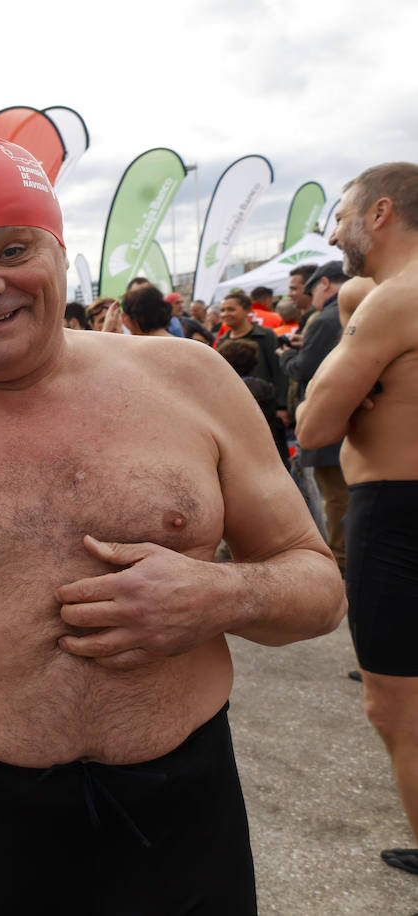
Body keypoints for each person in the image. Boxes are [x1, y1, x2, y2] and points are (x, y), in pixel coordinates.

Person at [0, 135, 344, 915]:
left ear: (60, 251)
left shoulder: (191, 383)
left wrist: (220, 596)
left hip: (185, 807)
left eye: (11, 249)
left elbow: (320, 588)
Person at [295, 162, 418, 878]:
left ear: (379, 213)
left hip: (398, 513)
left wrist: (354, 377)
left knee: (396, 708)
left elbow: (315, 421)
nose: (335, 230)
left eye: (341, 214)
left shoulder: (392, 301)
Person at [279, 261, 351, 572]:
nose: (305, 296)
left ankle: (341, 558)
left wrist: (288, 356)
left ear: (324, 285)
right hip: (341, 422)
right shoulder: (349, 312)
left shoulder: (326, 318)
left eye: (307, 289)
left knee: (333, 496)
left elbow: (303, 369)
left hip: (326, 421)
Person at [215, 292, 289, 421]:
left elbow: (278, 370)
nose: (225, 314)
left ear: (247, 310)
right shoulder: (222, 341)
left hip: (265, 405)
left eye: (231, 309)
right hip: (235, 409)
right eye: (222, 310)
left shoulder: (266, 335)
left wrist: (282, 406)